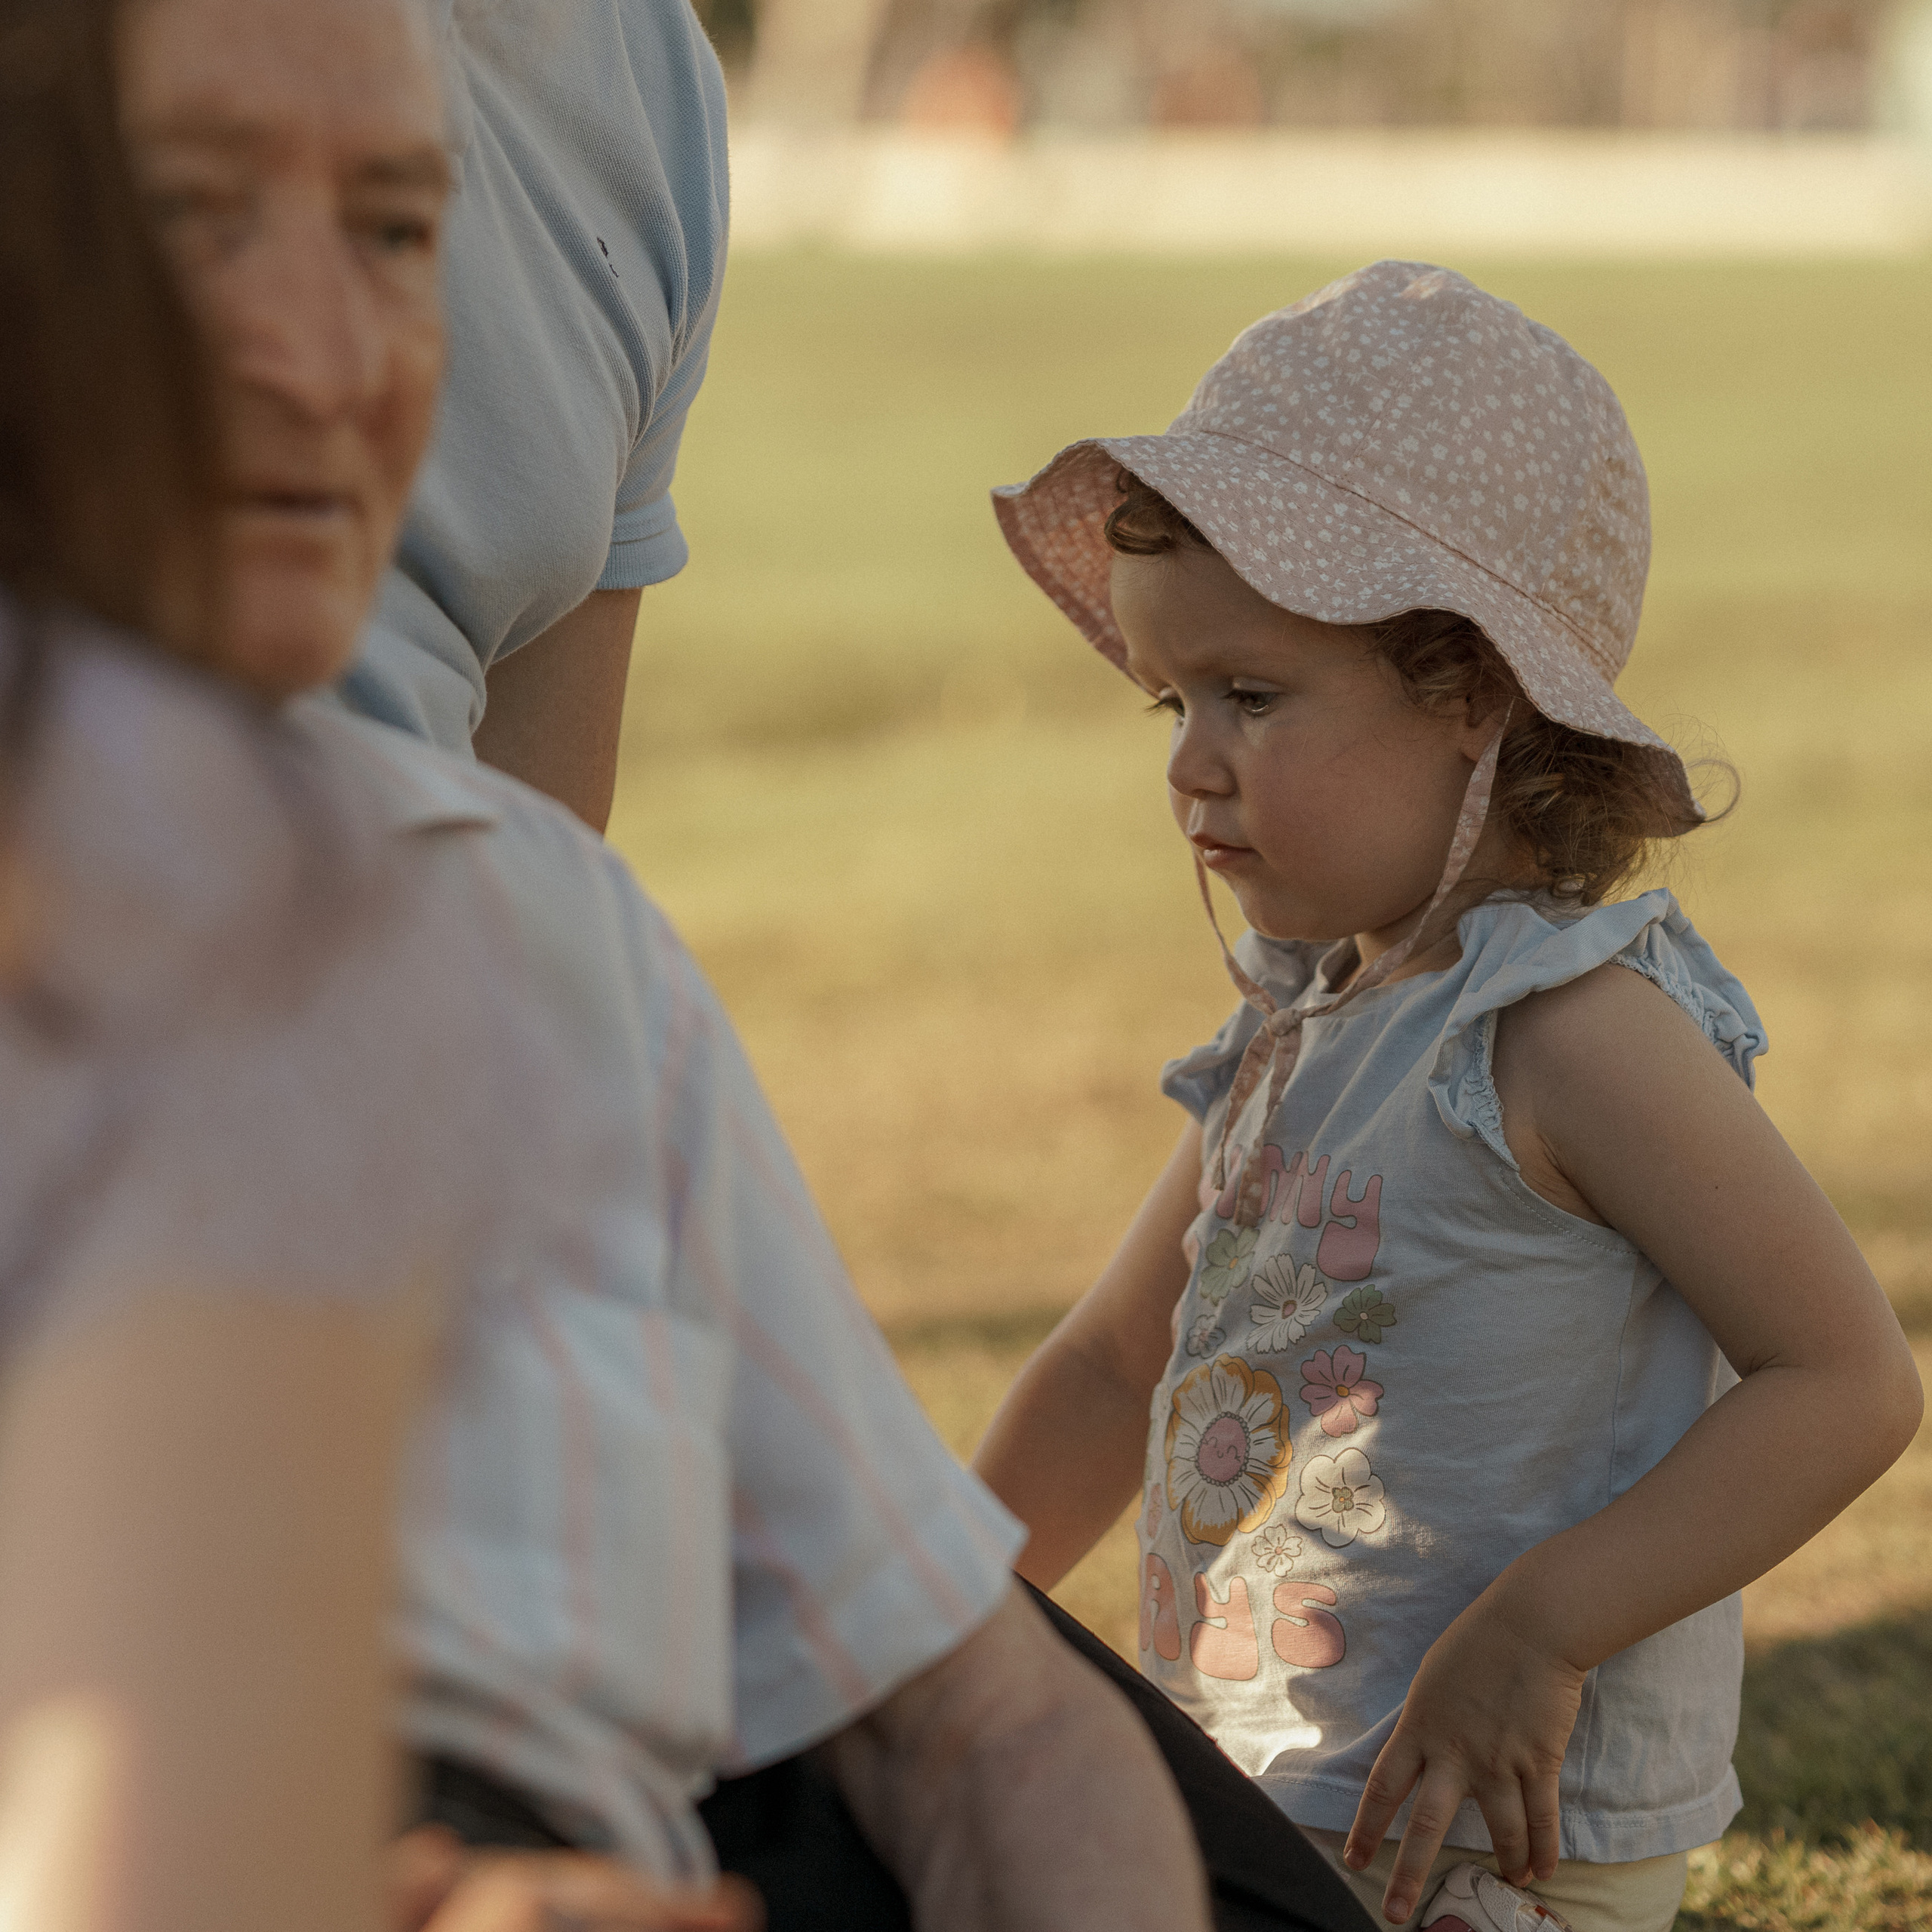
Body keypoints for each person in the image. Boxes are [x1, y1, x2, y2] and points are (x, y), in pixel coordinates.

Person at [974, 261, 1924, 1932]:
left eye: (1249, 696)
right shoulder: (1299, 1020)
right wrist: (928, 1605)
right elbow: (1111, 1358)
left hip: (1478, 1848)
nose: (1188, 761)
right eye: (1170, 700)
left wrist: (1540, 1626)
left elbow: (1841, 1379)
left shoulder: (1567, 1031)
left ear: (1472, 691)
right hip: (1272, 1796)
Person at [0, 0, 746, 1924]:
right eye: (201, 217)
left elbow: (541, 842)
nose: (328, 356)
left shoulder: (643, 75)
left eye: (398, 231)